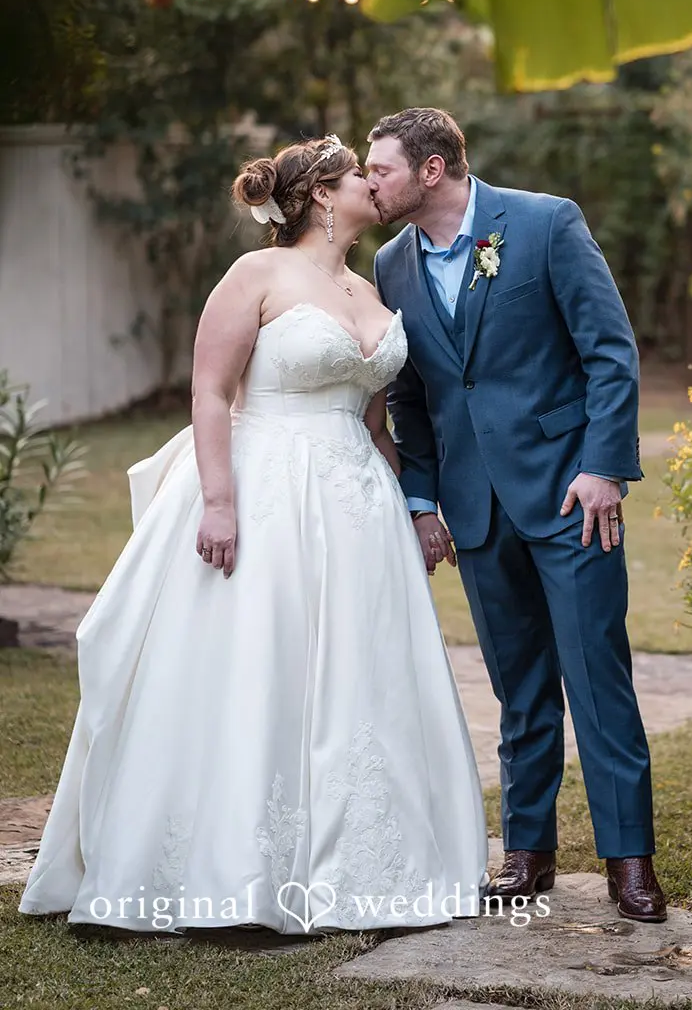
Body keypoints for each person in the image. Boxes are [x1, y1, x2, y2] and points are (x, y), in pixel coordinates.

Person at [19, 135, 487, 935]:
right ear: (318, 196)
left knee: (356, 676)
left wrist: (417, 508)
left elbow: (376, 422)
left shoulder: (367, 285)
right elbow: (209, 391)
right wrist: (220, 501)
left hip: (359, 506)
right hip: (266, 484)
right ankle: (232, 873)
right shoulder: (256, 275)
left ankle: (356, 864)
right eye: (358, 179)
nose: (376, 189)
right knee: (256, 667)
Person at [367, 108, 666, 923]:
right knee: (519, 690)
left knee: (597, 682)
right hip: (475, 510)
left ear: (432, 170)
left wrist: (603, 466)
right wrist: (424, 498)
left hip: (573, 500)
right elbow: (413, 395)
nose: (370, 182)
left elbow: (609, 350)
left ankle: (628, 863)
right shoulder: (391, 264)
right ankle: (527, 853)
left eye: (382, 169)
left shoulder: (542, 224)